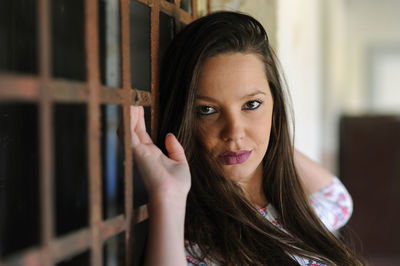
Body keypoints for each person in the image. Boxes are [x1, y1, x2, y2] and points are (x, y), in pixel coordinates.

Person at [127, 11, 363, 265]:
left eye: (251, 104)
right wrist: (168, 196)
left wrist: (271, 135)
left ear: (276, 104)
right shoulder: (196, 249)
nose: (234, 133)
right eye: (207, 110)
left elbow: (338, 200)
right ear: (185, 117)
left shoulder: (295, 213)